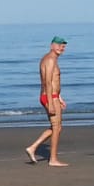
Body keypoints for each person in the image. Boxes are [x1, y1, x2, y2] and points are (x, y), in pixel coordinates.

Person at [25, 35, 69, 166]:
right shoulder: (50, 60)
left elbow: (55, 82)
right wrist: (51, 102)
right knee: (56, 127)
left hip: (54, 96)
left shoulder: (52, 59)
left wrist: (60, 97)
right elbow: (48, 83)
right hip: (49, 97)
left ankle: (33, 148)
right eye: (59, 45)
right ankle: (53, 159)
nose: (62, 47)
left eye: (63, 46)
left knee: (57, 127)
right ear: (52, 46)